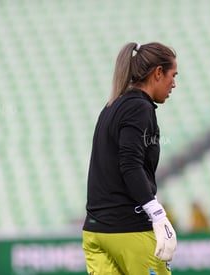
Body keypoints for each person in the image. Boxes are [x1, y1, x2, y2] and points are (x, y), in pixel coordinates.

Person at [82, 42, 178, 275]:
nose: (174, 84)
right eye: (172, 75)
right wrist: (157, 214)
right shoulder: (139, 108)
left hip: (95, 232)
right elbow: (130, 164)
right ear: (157, 73)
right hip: (128, 229)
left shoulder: (110, 107)